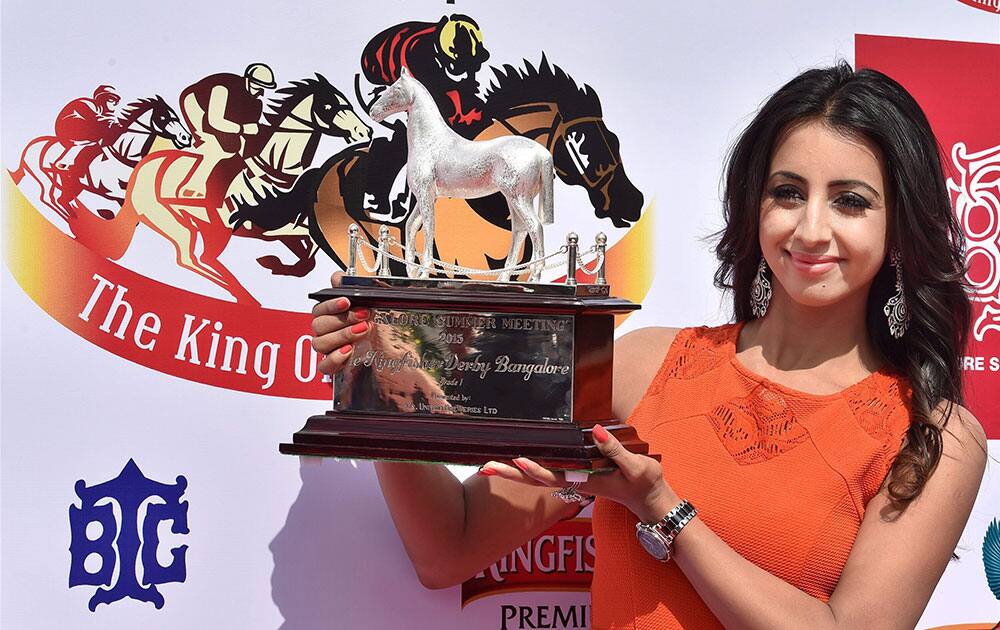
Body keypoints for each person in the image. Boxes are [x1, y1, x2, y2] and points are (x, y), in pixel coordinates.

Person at [309, 61, 988, 629]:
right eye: (788, 192)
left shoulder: (934, 435)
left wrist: (663, 510)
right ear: (756, 206)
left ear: (901, 227)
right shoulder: (644, 366)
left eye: (851, 201)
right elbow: (448, 547)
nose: (811, 228)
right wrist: (378, 382)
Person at [178, 63, 275, 200]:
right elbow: (214, 121)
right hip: (195, 103)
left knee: (236, 145)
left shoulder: (256, 104)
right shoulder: (223, 88)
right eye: (257, 86)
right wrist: (243, 129)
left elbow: (247, 138)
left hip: (225, 116)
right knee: (219, 145)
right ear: (247, 80)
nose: (260, 92)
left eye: (264, 88)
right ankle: (193, 185)